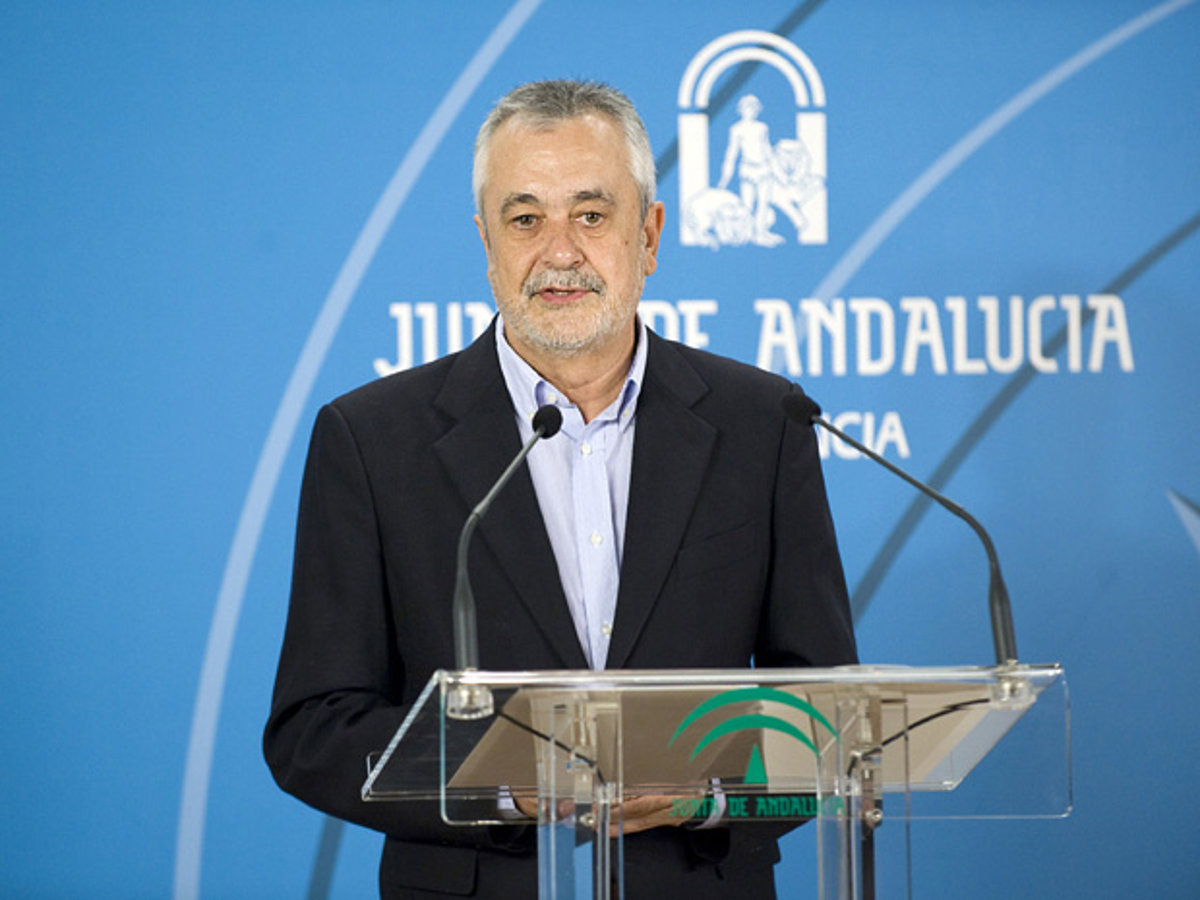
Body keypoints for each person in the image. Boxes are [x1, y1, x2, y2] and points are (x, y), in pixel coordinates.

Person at [264, 79, 857, 899]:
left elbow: (825, 709)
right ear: (487, 242)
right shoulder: (371, 440)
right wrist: (503, 783)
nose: (560, 252)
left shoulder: (763, 422)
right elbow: (316, 729)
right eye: (525, 219)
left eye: (591, 214)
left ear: (649, 234)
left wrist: (711, 796)